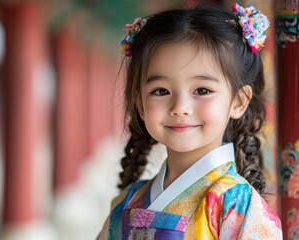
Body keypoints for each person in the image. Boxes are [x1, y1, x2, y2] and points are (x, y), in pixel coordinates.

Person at [98, 3, 282, 239]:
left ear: (238, 101)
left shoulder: (235, 204)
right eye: (161, 91)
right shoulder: (126, 201)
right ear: (140, 104)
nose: (180, 108)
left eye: (202, 90)